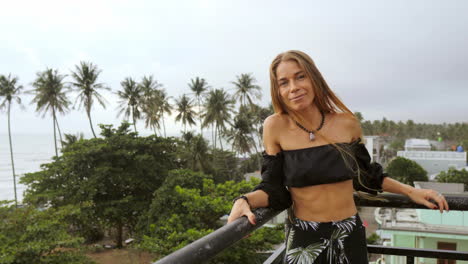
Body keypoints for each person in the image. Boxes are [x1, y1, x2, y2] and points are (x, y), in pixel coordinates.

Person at [227, 50, 449, 263]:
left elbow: (368, 175)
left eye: (300, 77)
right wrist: (244, 200)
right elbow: (272, 187)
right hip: (305, 235)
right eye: (284, 82)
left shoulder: (346, 123)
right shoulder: (275, 126)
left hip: (349, 231)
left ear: (314, 79)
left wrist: (412, 192)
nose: (293, 87)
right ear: (278, 90)